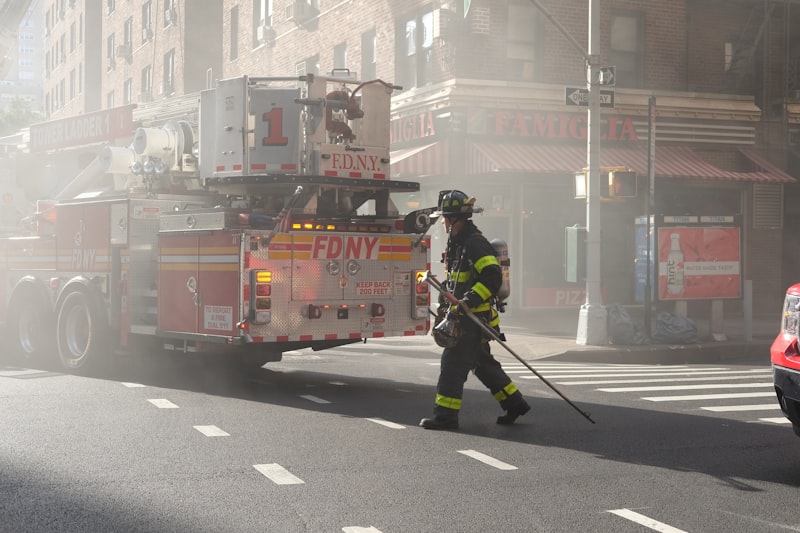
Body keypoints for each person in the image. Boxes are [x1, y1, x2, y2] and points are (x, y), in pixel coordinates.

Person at [420, 190, 530, 430]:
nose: (443, 223)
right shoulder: (457, 243)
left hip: (473, 318)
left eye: (445, 218)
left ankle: (445, 417)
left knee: (452, 366)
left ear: (455, 220)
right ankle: (515, 403)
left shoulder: (474, 243)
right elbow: (456, 280)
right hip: (464, 316)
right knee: (482, 364)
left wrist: (467, 301)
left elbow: (491, 277)